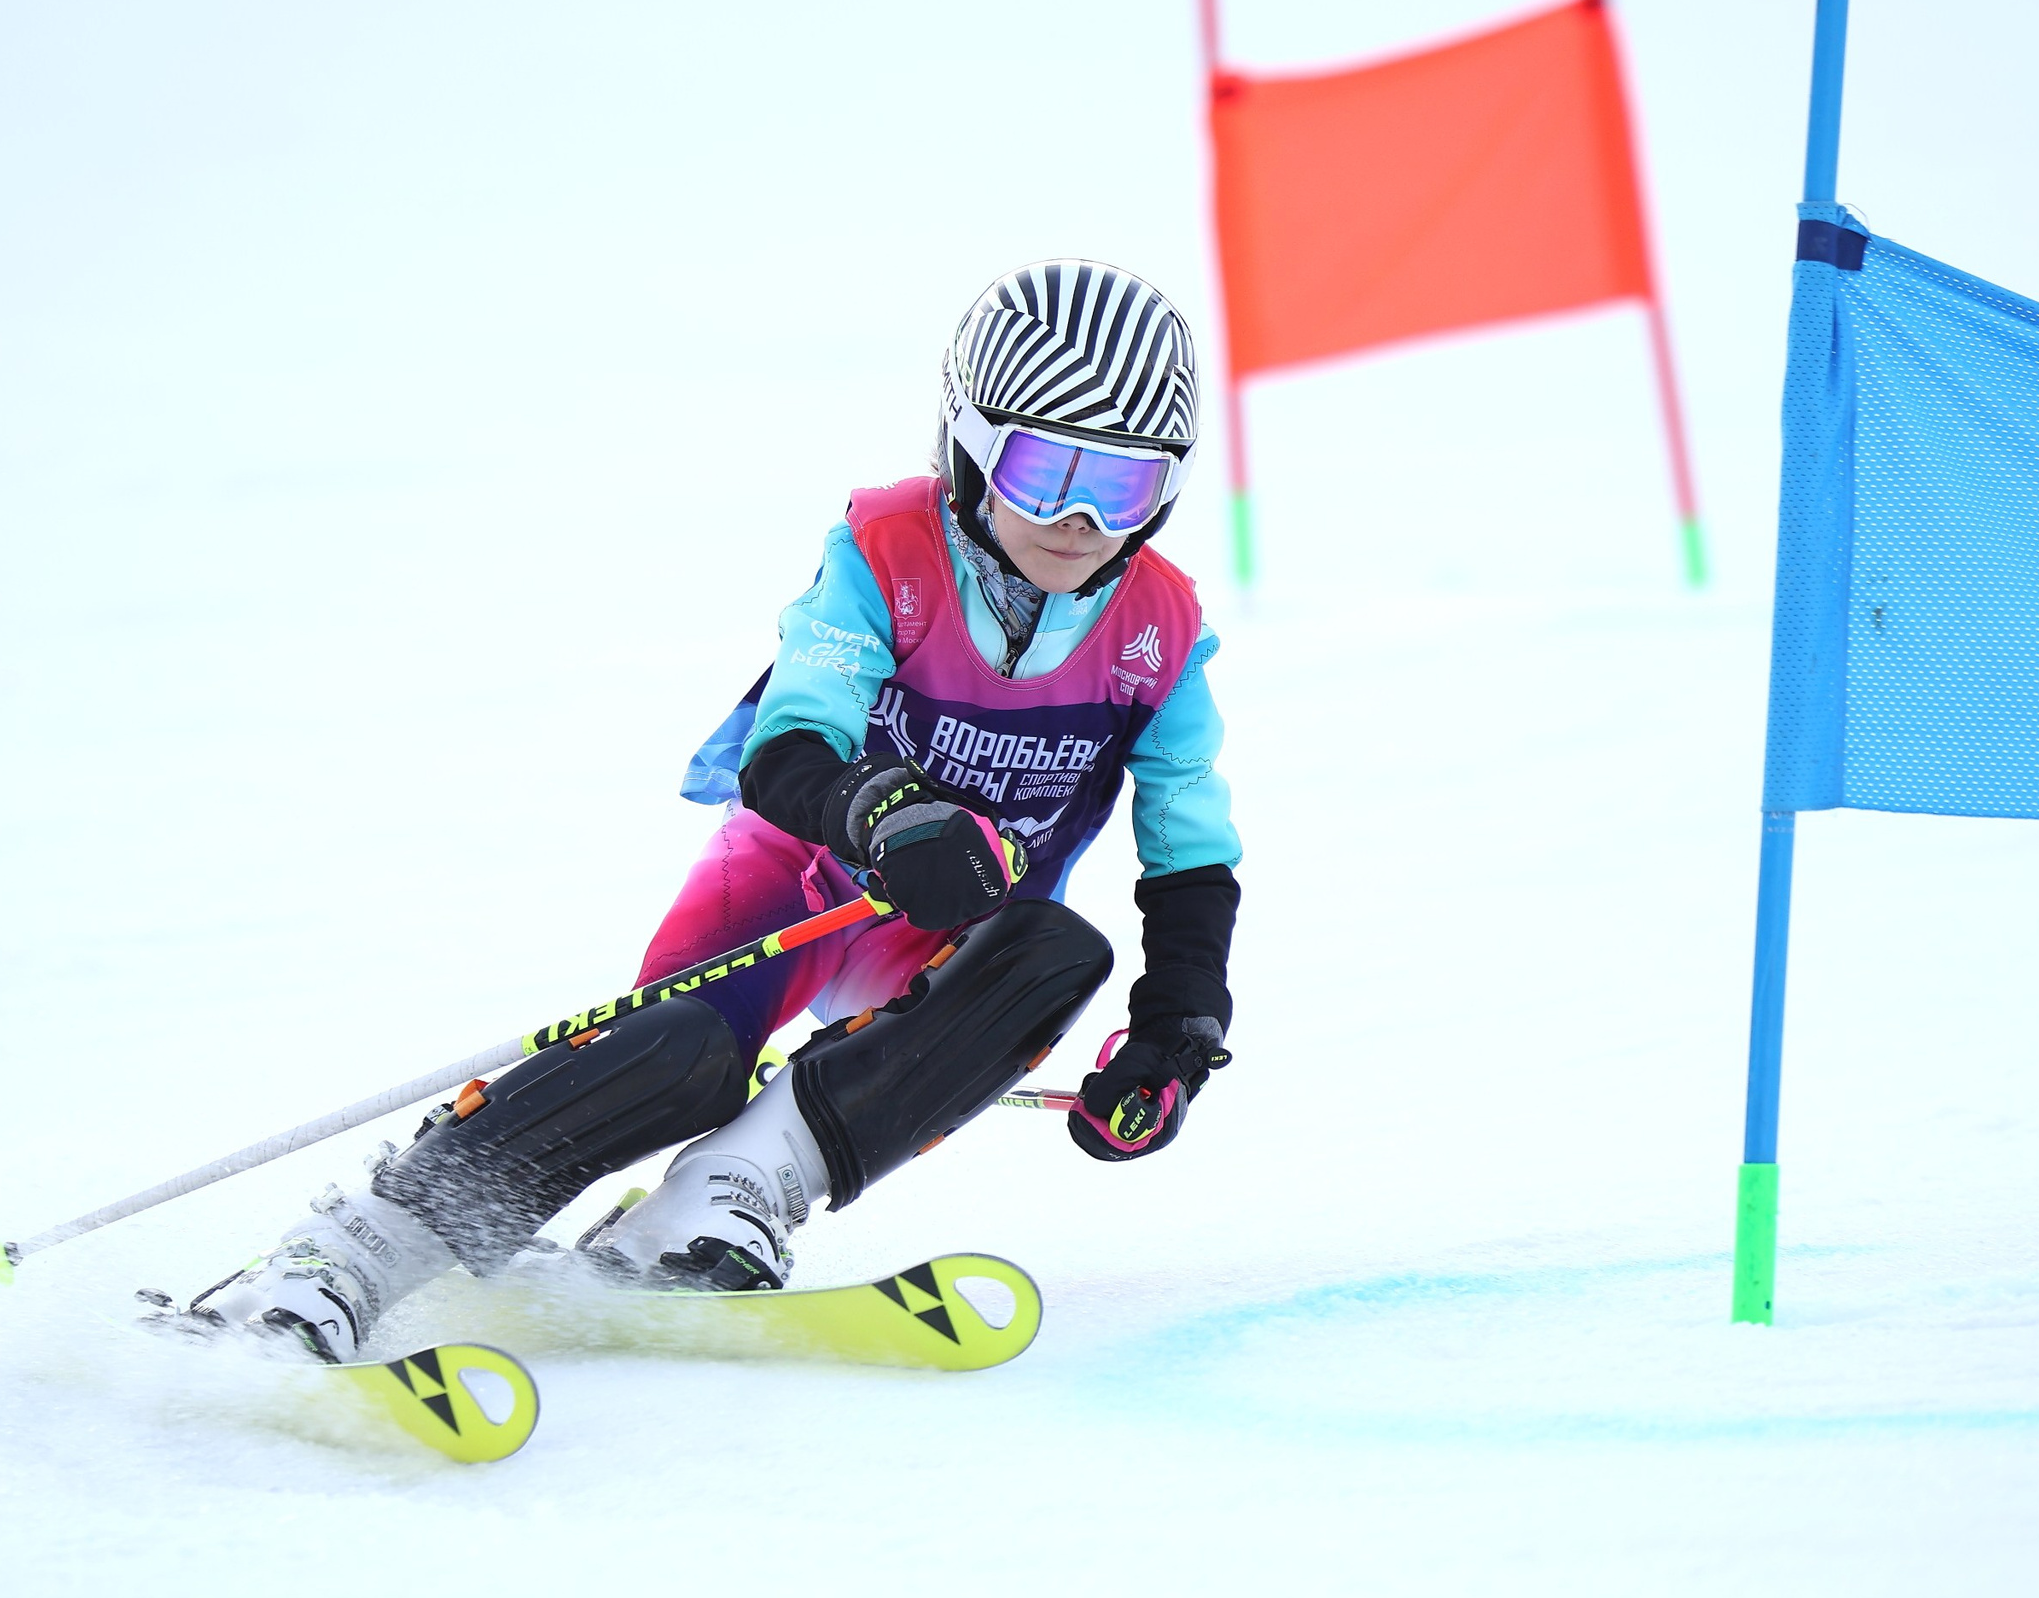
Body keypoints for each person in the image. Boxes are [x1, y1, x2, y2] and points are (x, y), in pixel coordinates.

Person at [179, 259, 1244, 1362]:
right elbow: (790, 746)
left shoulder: (1158, 633)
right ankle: (352, 1251)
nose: (1074, 520)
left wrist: (1175, 1032)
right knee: (683, 1049)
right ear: (969, 446)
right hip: (802, 876)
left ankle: (729, 1195)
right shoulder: (888, 555)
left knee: (1052, 953)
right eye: (1041, 472)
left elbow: (1189, 851)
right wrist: (883, 815)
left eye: (1117, 487)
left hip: (948, 921)